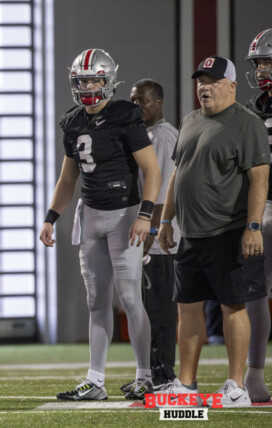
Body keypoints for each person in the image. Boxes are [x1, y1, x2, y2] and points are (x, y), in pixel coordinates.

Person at [39, 49, 161, 401]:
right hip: (91, 214)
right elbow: (67, 179)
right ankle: (95, 380)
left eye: (94, 79)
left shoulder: (125, 115)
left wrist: (145, 214)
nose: (88, 86)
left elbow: (151, 171)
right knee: (95, 301)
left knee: (130, 298)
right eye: (82, 80)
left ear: (109, 81)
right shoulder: (73, 121)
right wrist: (51, 217)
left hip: (125, 214)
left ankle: (144, 376)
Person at [156, 56, 270, 408]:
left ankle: (236, 386)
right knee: (187, 309)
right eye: (201, 80)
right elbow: (178, 174)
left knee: (233, 308)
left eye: (213, 81)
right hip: (191, 233)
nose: (204, 86)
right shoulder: (190, 121)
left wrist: (253, 227)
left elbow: (259, 178)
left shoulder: (246, 124)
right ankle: (186, 385)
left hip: (229, 230)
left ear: (232, 86)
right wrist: (165, 221)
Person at [120, 79, 179, 393]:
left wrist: (152, 231)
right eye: (133, 99)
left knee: (160, 309)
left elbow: (164, 189)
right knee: (147, 307)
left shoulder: (164, 137)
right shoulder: (144, 135)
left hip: (160, 239)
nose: (137, 105)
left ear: (159, 102)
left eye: (142, 100)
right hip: (147, 234)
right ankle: (150, 374)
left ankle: (164, 375)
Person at [243, 28, 272, 403]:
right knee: (254, 294)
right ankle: (253, 376)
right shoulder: (251, 108)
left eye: (268, 61)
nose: (263, 68)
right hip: (258, 206)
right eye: (259, 62)